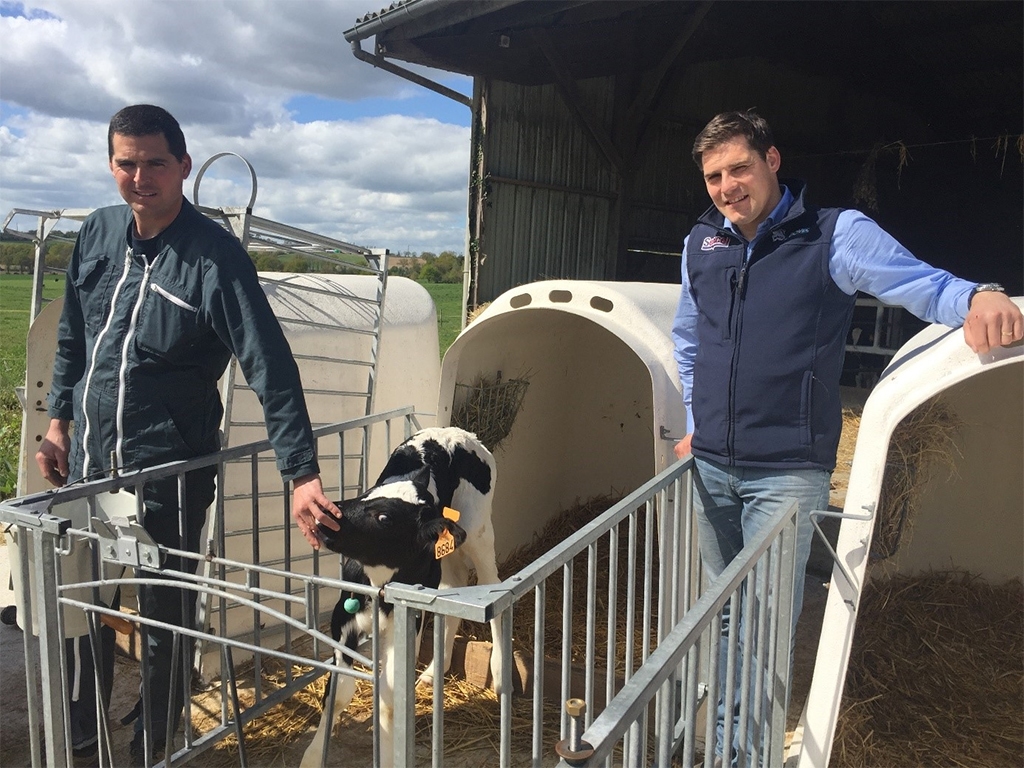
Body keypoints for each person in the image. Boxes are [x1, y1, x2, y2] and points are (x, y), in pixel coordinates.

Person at [671, 110, 1022, 764]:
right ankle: (722, 747)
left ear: (772, 161)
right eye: (714, 176)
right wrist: (695, 427)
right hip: (712, 467)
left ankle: (743, 757)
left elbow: (917, 283)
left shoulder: (833, 234)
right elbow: (689, 342)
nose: (727, 186)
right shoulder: (702, 244)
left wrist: (978, 297)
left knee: (763, 628)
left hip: (786, 471)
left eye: (739, 168)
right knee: (722, 615)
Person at [35, 104, 342, 763]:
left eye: (154, 163)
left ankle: (155, 742)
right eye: (126, 162)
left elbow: (269, 363)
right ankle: (84, 728)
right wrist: (57, 422)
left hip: (169, 470)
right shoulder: (98, 233)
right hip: (90, 463)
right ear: (111, 164)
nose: (140, 177)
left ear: (183, 167)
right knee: (80, 606)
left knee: (164, 614)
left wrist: (302, 474)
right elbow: (73, 340)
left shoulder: (215, 259)